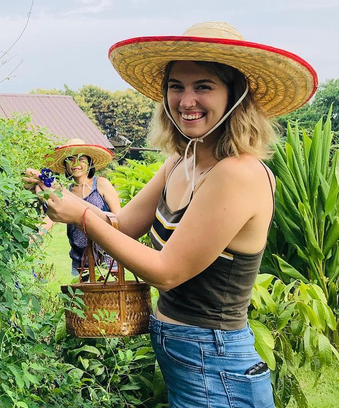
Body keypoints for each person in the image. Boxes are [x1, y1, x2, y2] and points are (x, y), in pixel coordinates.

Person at [24, 22, 317, 408]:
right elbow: (125, 225)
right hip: (187, 355)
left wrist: (83, 216)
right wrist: (60, 197)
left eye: (204, 86)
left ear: (236, 94)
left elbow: (167, 271)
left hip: (217, 364)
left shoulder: (237, 173)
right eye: (176, 86)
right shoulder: (182, 159)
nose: (186, 100)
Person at [40, 139, 121, 277]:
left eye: (81, 159)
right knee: (80, 298)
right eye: (70, 159)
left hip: (106, 259)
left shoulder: (101, 184)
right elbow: (49, 219)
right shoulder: (65, 192)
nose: (76, 163)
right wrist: (32, 237)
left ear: (89, 163)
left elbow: (118, 218)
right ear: (65, 165)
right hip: (79, 262)